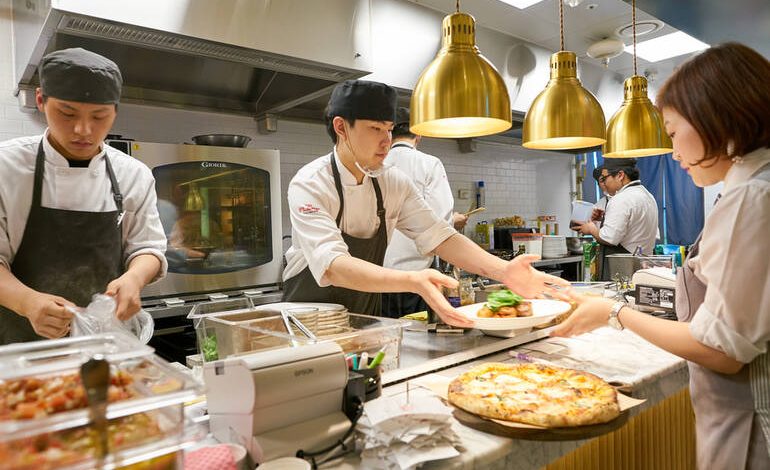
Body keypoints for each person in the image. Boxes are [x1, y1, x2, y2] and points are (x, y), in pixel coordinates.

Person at [552, 43, 770, 469]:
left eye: (672, 133)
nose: (672, 152)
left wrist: (613, 313)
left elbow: (722, 351)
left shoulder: (751, 198)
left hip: (753, 426)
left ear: (716, 117)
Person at [282, 79, 567, 325]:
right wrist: (411, 280)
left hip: (365, 318)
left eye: (389, 129)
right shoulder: (310, 183)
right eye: (375, 129)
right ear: (341, 127)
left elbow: (440, 236)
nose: (387, 141)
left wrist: (502, 270)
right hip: (309, 324)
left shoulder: (391, 181)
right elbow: (332, 265)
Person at [0, 48, 167, 344]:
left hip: (103, 345)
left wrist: (134, 278)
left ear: (115, 111)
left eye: (99, 116)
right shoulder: (6, 166)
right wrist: (27, 302)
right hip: (17, 350)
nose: (83, 130)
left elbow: (148, 248)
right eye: (67, 113)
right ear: (40, 100)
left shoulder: (133, 175)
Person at [381, 106, 468, 317]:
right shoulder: (429, 164)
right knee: (415, 341)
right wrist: (454, 220)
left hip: (377, 280)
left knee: (383, 338)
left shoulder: (376, 163)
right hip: (416, 279)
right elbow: (439, 223)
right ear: (418, 134)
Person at [573, 158, 658, 280]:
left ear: (620, 175)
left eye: (604, 178)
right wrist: (604, 218)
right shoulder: (647, 196)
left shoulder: (620, 199)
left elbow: (609, 238)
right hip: (642, 265)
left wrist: (591, 229)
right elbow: (633, 226)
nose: (604, 183)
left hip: (623, 269)